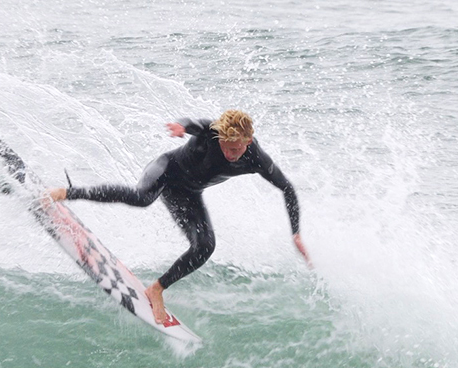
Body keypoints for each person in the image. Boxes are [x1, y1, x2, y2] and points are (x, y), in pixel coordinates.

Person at [48, 109, 307, 324]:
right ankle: (66, 192)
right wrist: (182, 127)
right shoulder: (213, 132)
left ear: (248, 141)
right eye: (226, 147)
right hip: (165, 170)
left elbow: (287, 188)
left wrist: (295, 232)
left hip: (186, 194)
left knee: (205, 246)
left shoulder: (257, 159)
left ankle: (156, 289)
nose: (230, 153)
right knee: (142, 198)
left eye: (236, 149)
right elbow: (195, 123)